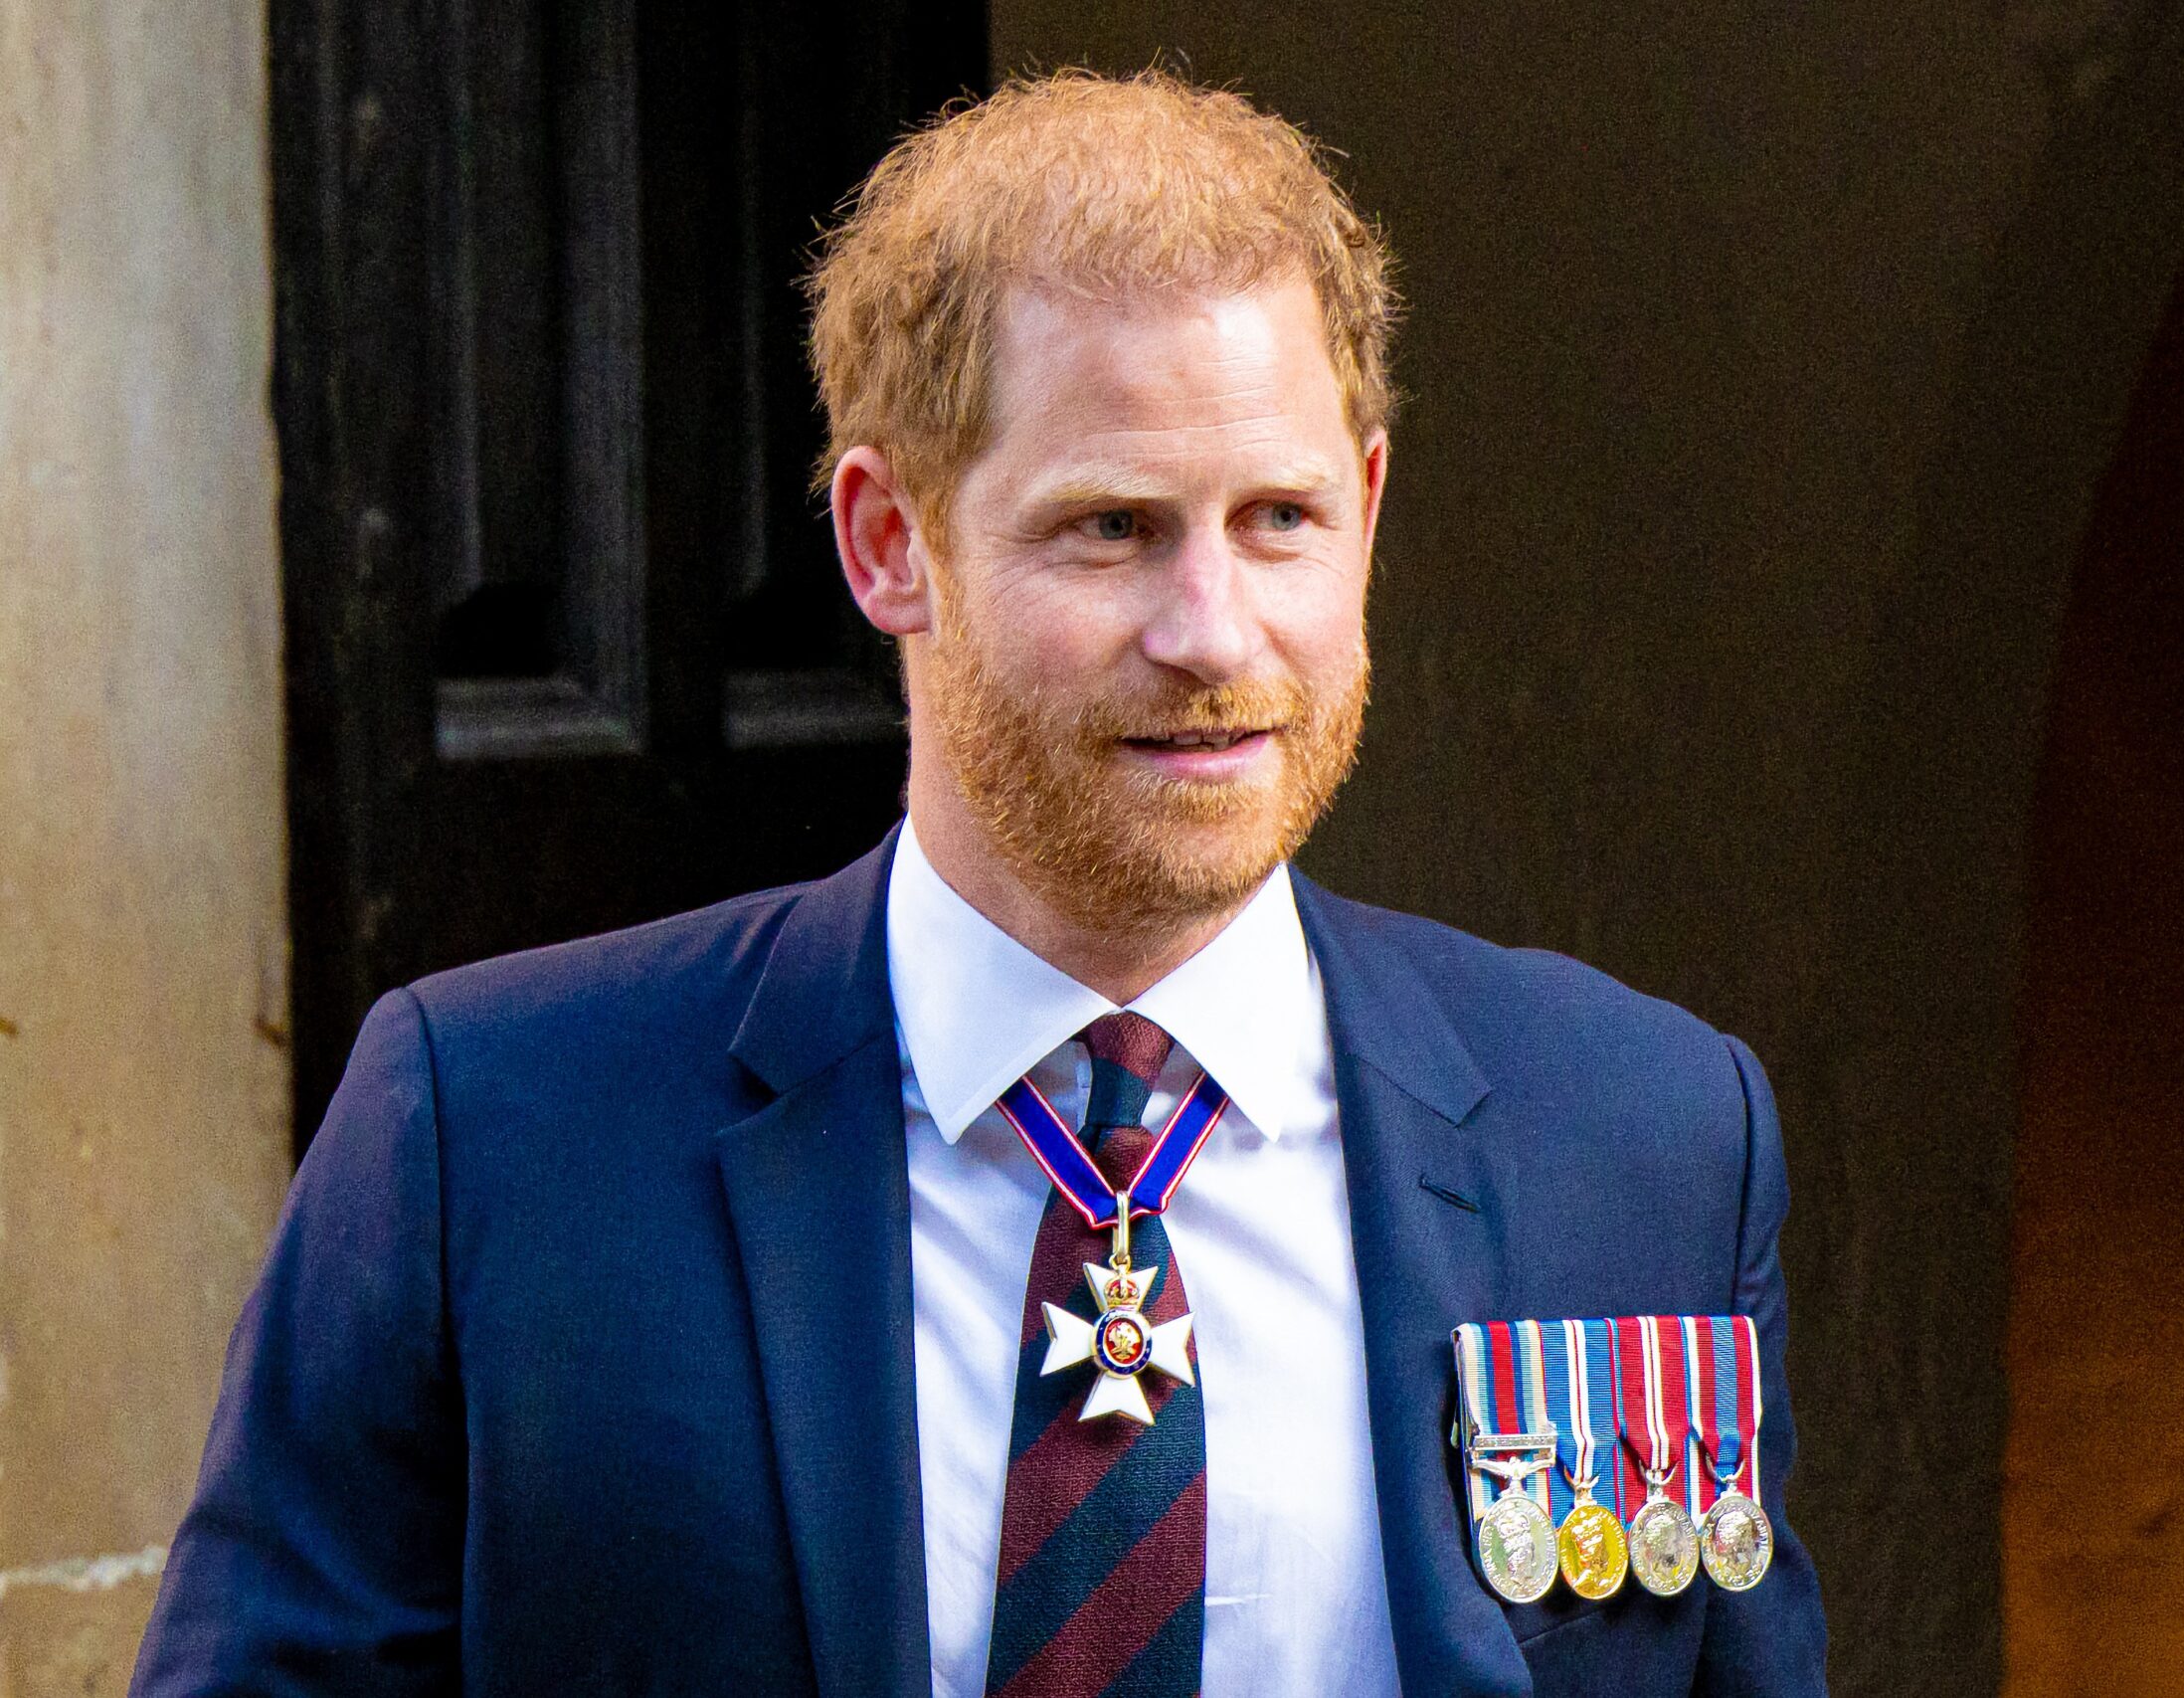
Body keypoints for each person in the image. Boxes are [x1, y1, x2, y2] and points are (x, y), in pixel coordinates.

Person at [132, 70, 1827, 1698]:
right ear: (888, 543)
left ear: (1369, 510)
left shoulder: (1649, 1134)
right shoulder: (491, 1140)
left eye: (1281, 519)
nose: (1214, 634)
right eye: (1111, 528)